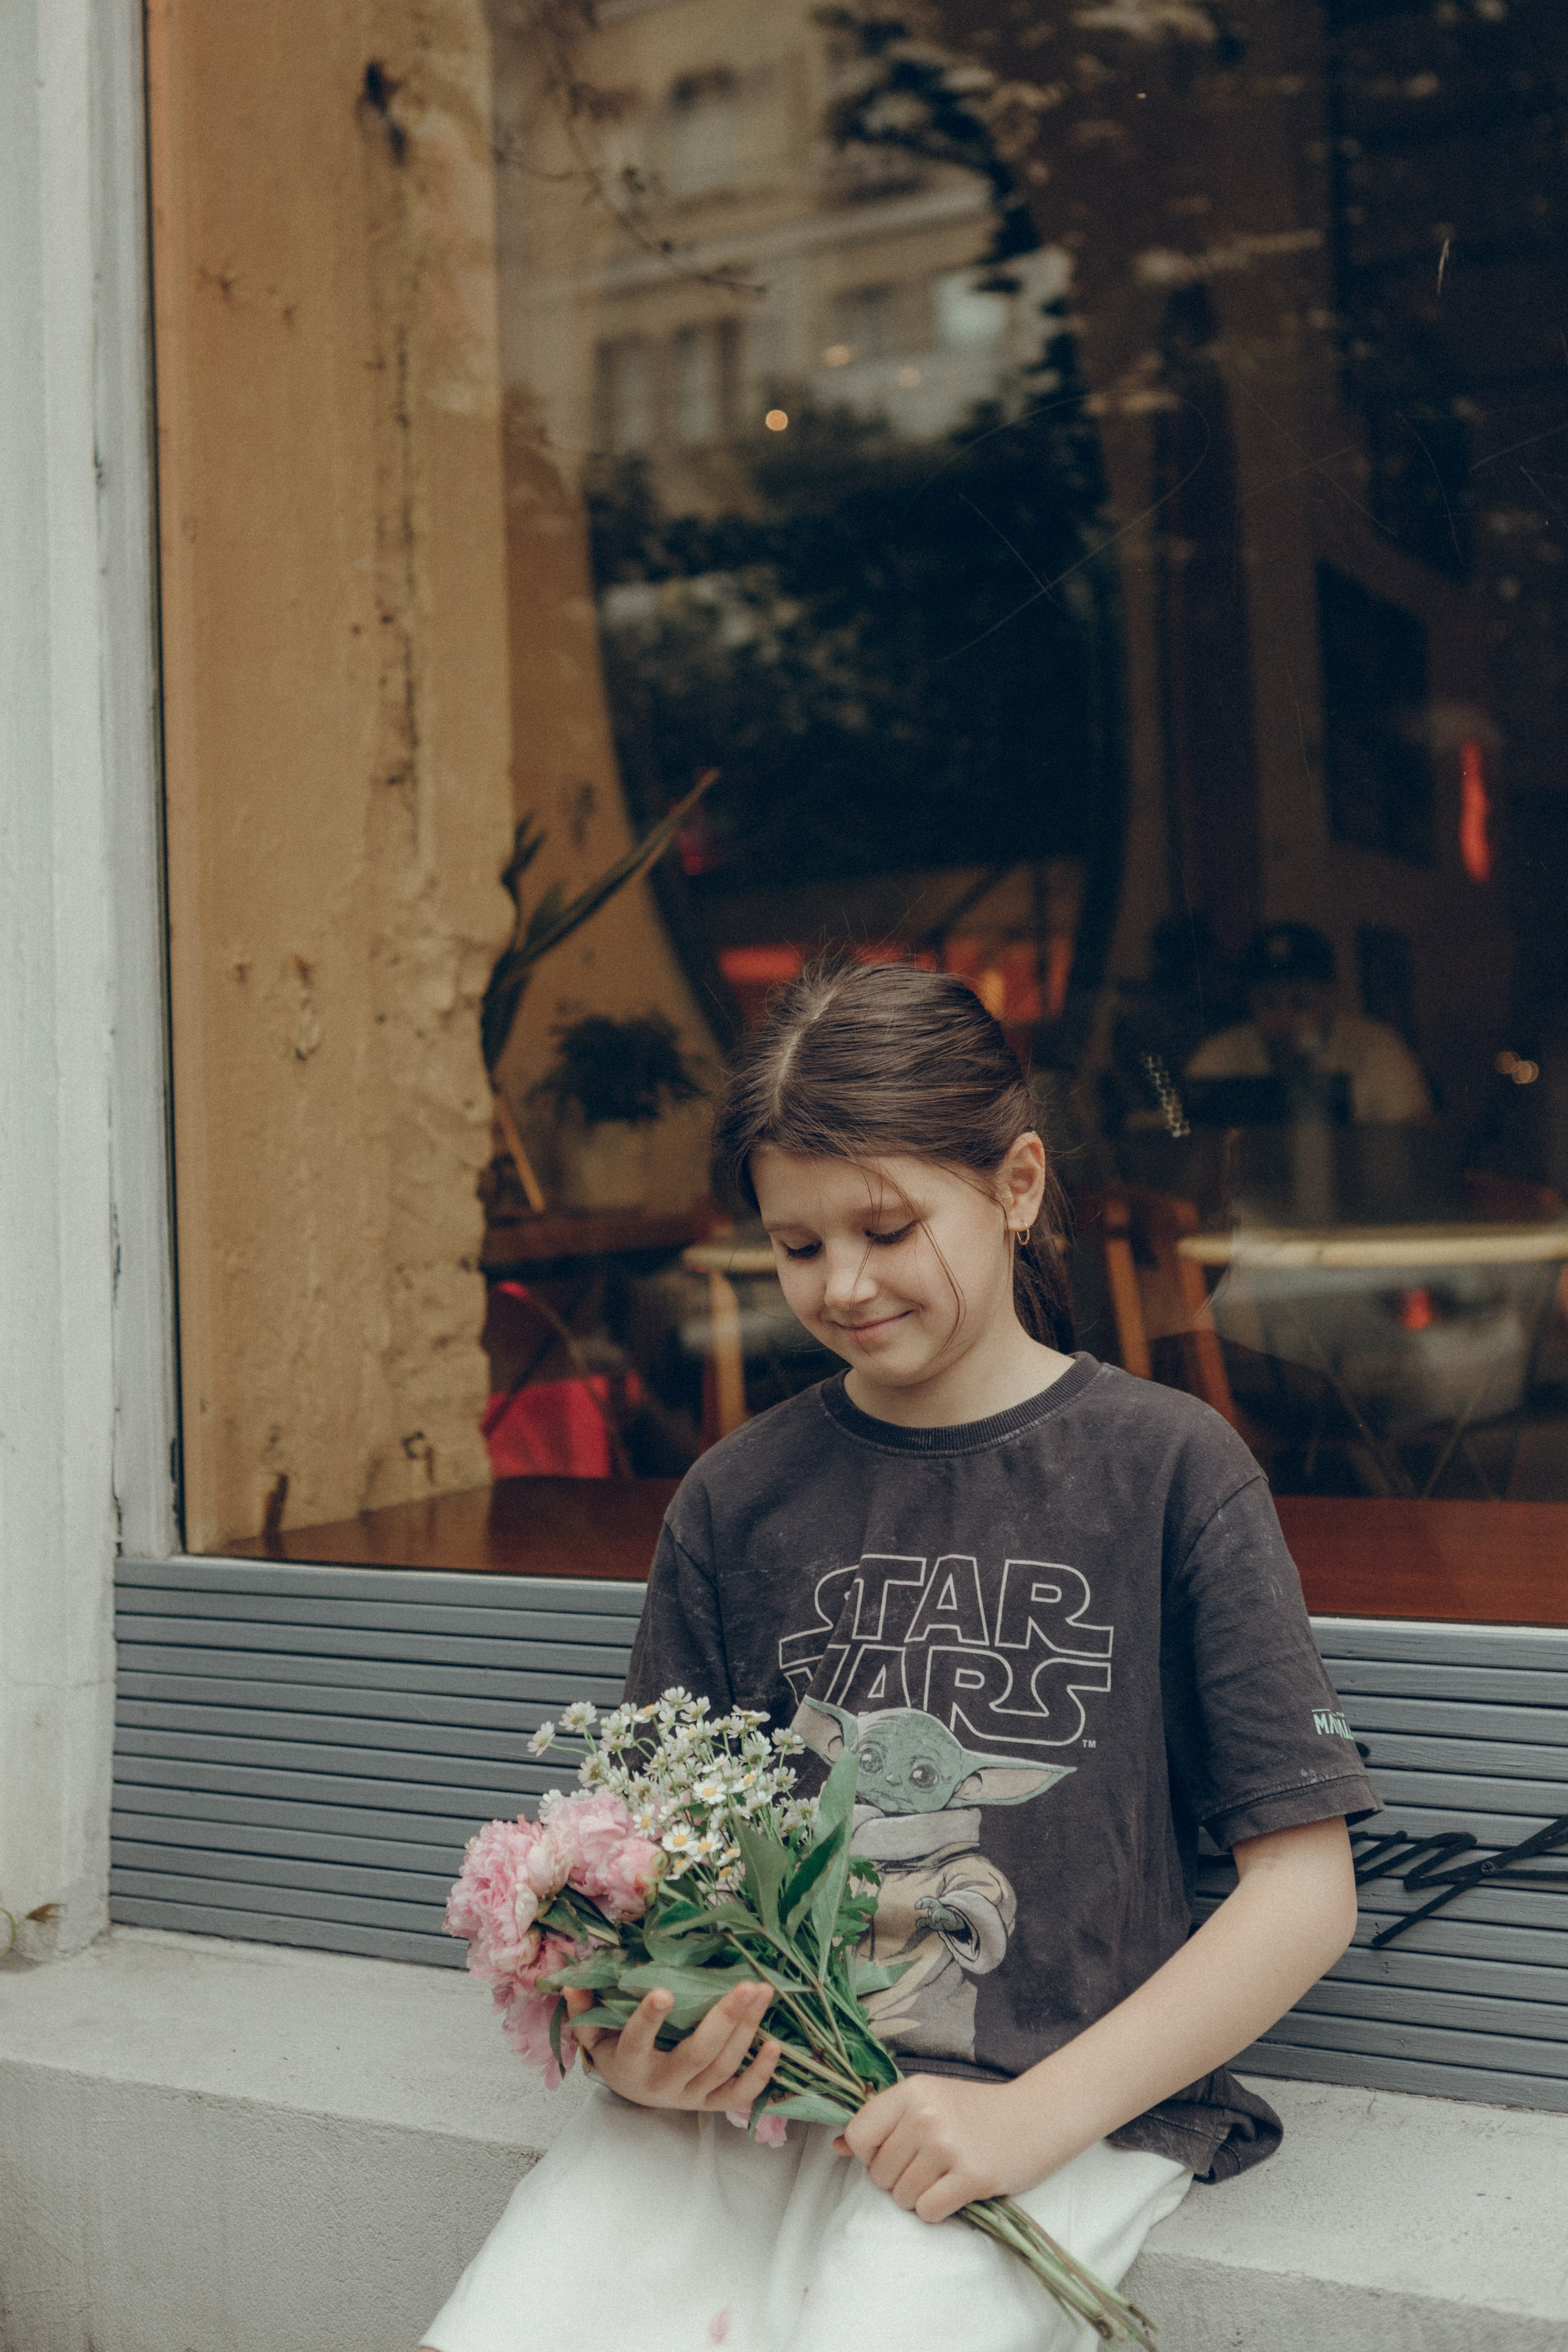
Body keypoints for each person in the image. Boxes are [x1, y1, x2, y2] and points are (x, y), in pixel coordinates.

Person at [421, 960, 1378, 2352]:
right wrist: (637, 2038)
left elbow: (1303, 1890)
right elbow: (637, 1871)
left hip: (1052, 2107)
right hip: (754, 2105)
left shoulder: (1166, 1468)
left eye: (884, 1225)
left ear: (1016, 1183)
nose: (843, 1283)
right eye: (797, 1245)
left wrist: (1024, 2119)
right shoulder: (736, 1498)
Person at [1186, 922, 1431, 1123]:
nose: (1284, 1018)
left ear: (1330, 996)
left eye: (1301, 1001)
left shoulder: (1377, 1047)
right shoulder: (1220, 1053)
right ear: (1250, 1001)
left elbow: (1414, 1139)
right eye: (1268, 1003)